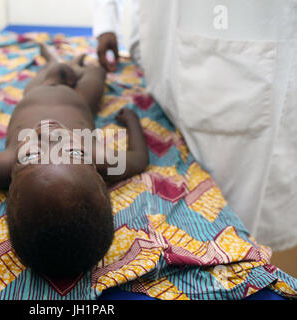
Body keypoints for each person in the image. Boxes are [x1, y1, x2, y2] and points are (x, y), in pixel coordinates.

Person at [93, 0, 297, 275]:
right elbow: (136, 159)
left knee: (249, 241)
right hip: (170, 57)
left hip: (235, 68)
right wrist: (107, 20)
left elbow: (134, 159)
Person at [0, 44, 150, 278]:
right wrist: (132, 120)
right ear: (98, 175)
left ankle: (55, 62)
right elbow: (139, 158)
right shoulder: (98, 158)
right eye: (74, 152)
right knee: (97, 74)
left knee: (52, 72)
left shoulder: (5, 164)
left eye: (30, 156)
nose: (47, 133)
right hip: (79, 99)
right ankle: (67, 64)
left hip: (37, 93)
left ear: (10, 186)